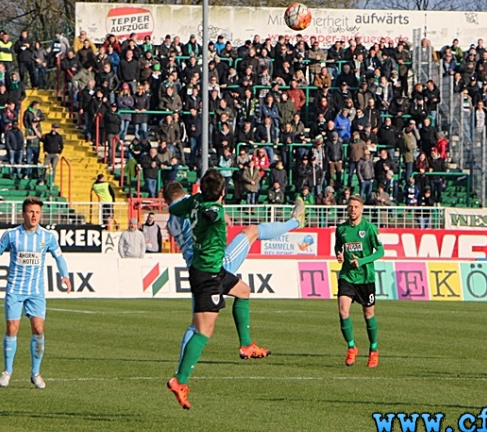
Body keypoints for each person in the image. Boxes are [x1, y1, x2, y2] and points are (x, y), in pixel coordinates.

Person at [164, 171, 306, 410]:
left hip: (197, 266)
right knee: (251, 231)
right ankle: (295, 222)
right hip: (214, 265)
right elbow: (209, 213)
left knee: (241, 292)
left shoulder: (176, 214)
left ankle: (243, 346)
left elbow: (179, 209)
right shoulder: (207, 207)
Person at [0, 197, 72, 389]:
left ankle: (35, 373)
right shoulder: (12, 235)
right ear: (23, 213)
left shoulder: (47, 237)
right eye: (30, 212)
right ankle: (7, 371)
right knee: (12, 329)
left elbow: (59, 257)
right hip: (15, 289)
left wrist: (65, 275)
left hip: (36, 292)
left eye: (37, 212)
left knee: (38, 329)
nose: (34, 215)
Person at [335, 195, 385, 368]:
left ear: (361, 209)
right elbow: (337, 246)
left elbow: (380, 252)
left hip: (366, 277)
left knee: (368, 315)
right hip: (347, 276)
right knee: (343, 311)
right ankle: (351, 347)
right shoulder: (341, 229)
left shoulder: (369, 229)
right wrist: (339, 255)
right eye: (350, 207)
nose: (353, 210)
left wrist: (362, 261)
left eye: (356, 207)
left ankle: (373, 350)